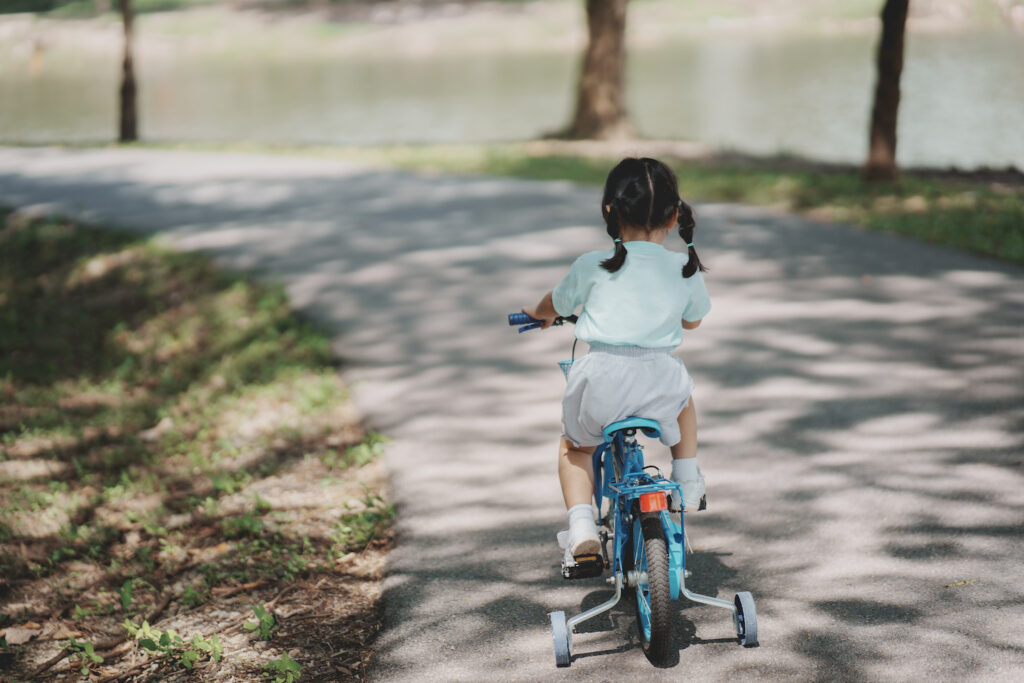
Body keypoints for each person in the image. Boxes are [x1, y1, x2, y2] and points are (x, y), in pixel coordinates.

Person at [521, 157, 710, 559]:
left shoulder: (591, 265)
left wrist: (540, 316)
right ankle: (688, 480)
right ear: (675, 216)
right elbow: (692, 322)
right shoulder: (683, 267)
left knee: (576, 448)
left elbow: (554, 304)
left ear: (610, 210)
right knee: (684, 398)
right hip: (659, 381)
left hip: (601, 381)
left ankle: (581, 527)